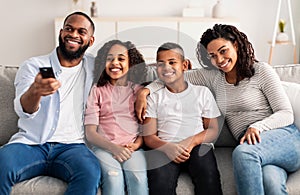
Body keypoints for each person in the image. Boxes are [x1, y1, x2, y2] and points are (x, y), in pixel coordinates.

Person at [136, 24, 300, 195]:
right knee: (271, 183)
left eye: (223, 51)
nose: (219, 60)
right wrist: (144, 91)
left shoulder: (261, 71)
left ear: (235, 45)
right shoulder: (214, 77)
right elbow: (172, 75)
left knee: (243, 154)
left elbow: (285, 113)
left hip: (282, 138)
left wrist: (257, 127)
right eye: (213, 56)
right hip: (256, 147)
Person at [0, 12, 101, 195]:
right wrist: (36, 90)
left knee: (90, 172)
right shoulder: (33, 65)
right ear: (61, 32)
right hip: (31, 144)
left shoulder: (95, 66)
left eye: (81, 31)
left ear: (90, 40)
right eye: (69, 29)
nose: (74, 35)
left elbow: (129, 74)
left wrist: (145, 92)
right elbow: (24, 111)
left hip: (74, 147)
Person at [142, 42, 222, 195]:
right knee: (159, 183)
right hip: (164, 148)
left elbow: (212, 130)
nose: (166, 67)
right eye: (161, 64)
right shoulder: (154, 97)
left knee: (209, 178)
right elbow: (149, 137)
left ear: (185, 65)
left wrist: (190, 143)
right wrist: (168, 147)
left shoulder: (202, 93)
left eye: (172, 62)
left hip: (197, 146)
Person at [84, 40, 148, 195]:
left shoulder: (139, 91)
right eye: (109, 58)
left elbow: (144, 129)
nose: (115, 63)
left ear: (131, 62)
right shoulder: (97, 90)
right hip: (104, 148)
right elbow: (90, 133)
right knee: (113, 178)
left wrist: (136, 145)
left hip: (132, 149)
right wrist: (114, 148)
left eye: (121, 59)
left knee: (137, 178)